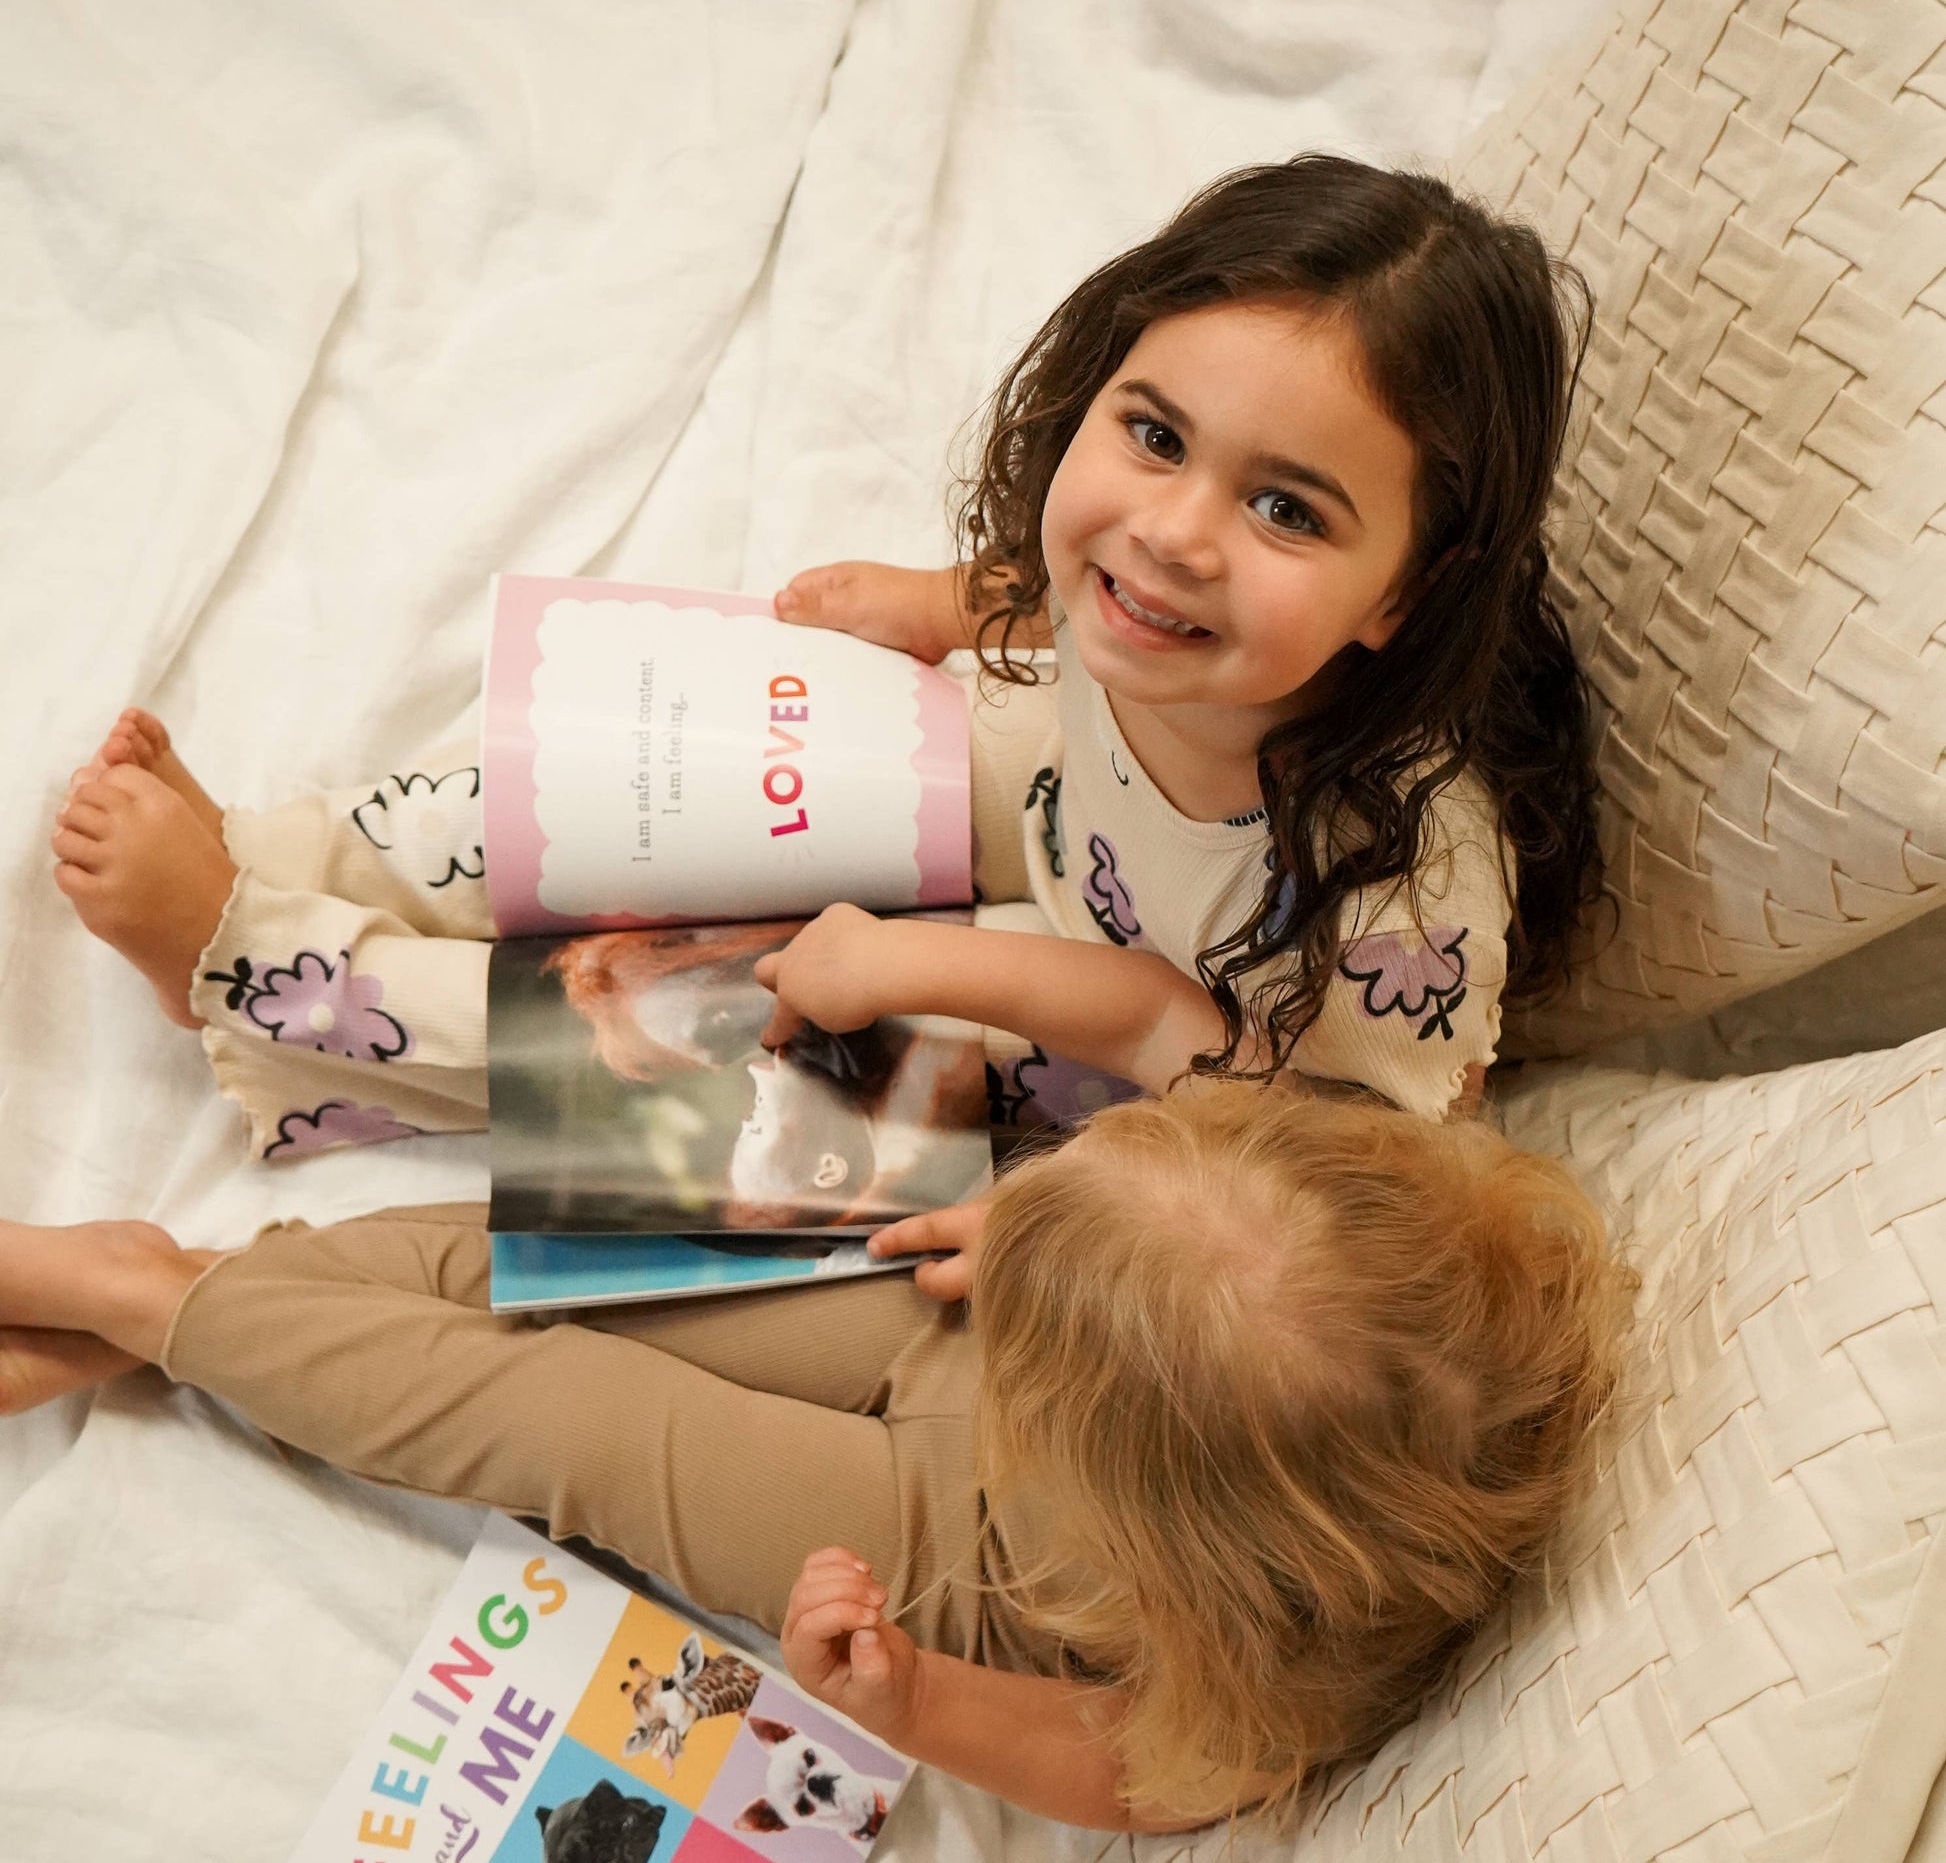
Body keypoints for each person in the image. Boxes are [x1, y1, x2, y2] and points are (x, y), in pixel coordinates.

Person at [47, 156, 1601, 1164]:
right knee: (635, 780)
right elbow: (1093, 574)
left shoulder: (1395, 883)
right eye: (1150, 434)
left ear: (1408, 591)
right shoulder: (1136, 603)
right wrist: (947, 604)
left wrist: (938, 962)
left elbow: (1329, 1158)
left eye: (1282, 508)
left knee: (717, 1057)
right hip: (1060, 777)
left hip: (1156, 1079)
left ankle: (257, 971)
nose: (1173, 534)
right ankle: (271, 854)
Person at [0, 1085, 1630, 1828]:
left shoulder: (1261, 1657)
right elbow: (1241, 1197)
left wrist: (909, 1699)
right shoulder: (1409, 1281)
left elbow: (1133, 1773)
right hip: (1027, 1351)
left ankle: (140, 1292)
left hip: (962, 1559)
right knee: (582, 1246)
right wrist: (1043, 1243)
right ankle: (188, 1308)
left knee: (573, 1423)